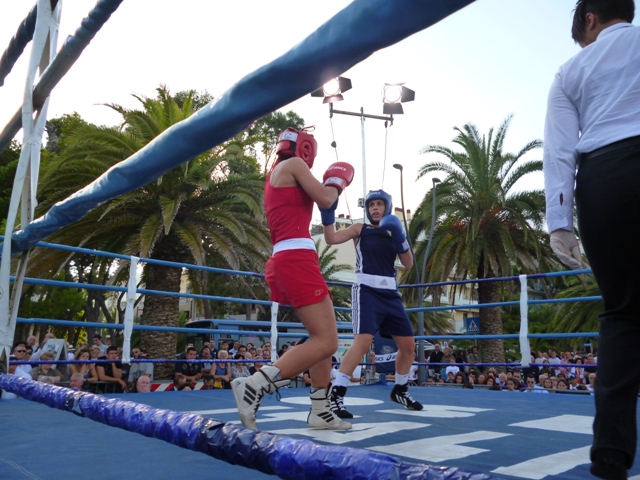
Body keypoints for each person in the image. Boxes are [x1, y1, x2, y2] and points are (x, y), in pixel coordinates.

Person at [543, 1, 639, 478]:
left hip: (606, 177)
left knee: (622, 313)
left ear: (589, 20)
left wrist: (560, 222)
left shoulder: (570, 70)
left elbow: (558, 149)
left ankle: (611, 451)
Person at [231, 126, 354, 431]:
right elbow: (326, 199)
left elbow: (320, 212)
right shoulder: (295, 165)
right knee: (328, 341)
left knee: (320, 340)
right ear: (304, 148)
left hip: (290, 258)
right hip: (296, 258)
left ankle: (321, 410)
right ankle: (255, 384)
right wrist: (337, 184)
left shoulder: (277, 174)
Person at [322, 189, 423, 419]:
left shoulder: (392, 231)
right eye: (371, 205)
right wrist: (328, 216)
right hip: (367, 291)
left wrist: (399, 236)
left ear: (387, 207)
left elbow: (407, 263)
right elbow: (331, 238)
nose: (374, 208)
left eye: (379, 204)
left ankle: (400, 389)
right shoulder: (360, 229)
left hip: (390, 293)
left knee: (408, 346)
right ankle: (336, 394)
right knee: (363, 341)